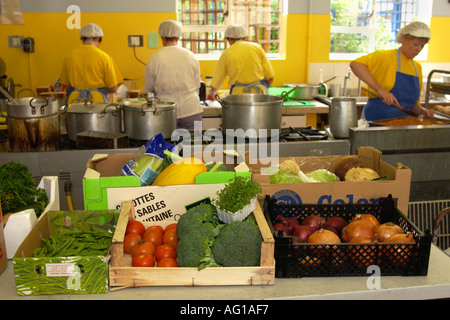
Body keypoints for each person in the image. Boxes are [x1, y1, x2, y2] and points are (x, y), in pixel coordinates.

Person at [350, 21, 434, 121]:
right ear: (403, 39)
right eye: (415, 44)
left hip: (403, 125)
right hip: (377, 121)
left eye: (422, 46)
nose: (418, 49)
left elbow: (413, 104)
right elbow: (355, 65)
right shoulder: (385, 57)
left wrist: (421, 110)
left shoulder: (417, 68)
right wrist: (380, 90)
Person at [144, 20, 202, 130]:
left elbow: (148, 90)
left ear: (161, 37)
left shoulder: (155, 58)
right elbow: (197, 84)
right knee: (195, 144)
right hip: (192, 109)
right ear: (179, 37)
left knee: (167, 146)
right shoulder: (190, 56)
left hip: (165, 112)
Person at [206, 24, 275, 99]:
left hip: (238, 96)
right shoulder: (257, 47)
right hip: (259, 93)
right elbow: (270, 77)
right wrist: (263, 87)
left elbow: (216, 81)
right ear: (245, 38)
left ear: (229, 39)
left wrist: (212, 94)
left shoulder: (226, 53)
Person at [60, 23, 123, 103]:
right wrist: (100, 91)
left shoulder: (69, 57)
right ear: (98, 38)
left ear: (82, 38)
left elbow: (66, 85)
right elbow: (113, 88)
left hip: (74, 101)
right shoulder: (105, 57)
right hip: (97, 101)